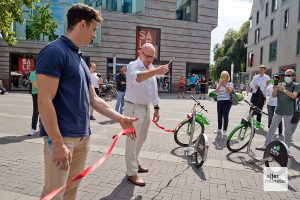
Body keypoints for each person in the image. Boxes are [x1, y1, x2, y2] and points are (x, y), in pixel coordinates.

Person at [36, 4, 136, 200]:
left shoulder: (80, 59)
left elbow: (94, 99)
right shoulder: (54, 52)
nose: (94, 35)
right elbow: (44, 100)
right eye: (93, 29)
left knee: (71, 191)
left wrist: (121, 118)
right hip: (63, 139)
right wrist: (57, 142)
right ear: (82, 24)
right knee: (54, 193)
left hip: (82, 136)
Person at [124, 43, 169, 187]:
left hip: (145, 107)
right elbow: (137, 78)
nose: (150, 60)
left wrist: (156, 107)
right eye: (147, 56)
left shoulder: (151, 68)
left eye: (152, 57)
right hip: (133, 107)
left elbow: (153, 90)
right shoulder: (133, 65)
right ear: (140, 53)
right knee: (132, 140)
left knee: (142, 138)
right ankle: (131, 172)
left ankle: (135, 163)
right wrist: (156, 71)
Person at [256, 69, 300, 150]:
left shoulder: (296, 85)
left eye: (289, 75)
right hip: (278, 110)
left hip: (289, 112)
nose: (286, 77)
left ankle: (286, 149)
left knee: (287, 132)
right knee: (272, 128)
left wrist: (284, 90)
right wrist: (275, 90)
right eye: (285, 75)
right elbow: (273, 95)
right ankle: (266, 144)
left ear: (293, 77)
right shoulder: (280, 84)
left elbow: (294, 96)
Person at [214, 71, 234, 137]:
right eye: (222, 77)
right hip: (219, 101)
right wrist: (219, 85)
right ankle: (219, 129)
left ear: (227, 77)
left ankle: (225, 130)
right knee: (219, 115)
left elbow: (229, 91)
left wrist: (225, 85)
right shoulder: (218, 83)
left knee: (225, 116)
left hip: (227, 101)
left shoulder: (230, 84)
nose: (223, 78)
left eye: (225, 77)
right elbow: (216, 92)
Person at [27, 70, 39, 136]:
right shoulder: (33, 73)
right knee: (36, 111)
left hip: (44, 93)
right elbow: (35, 85)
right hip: (36, 94)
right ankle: (33, 129)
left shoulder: (45, 72)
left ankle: (41, 128)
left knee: (44, 112)